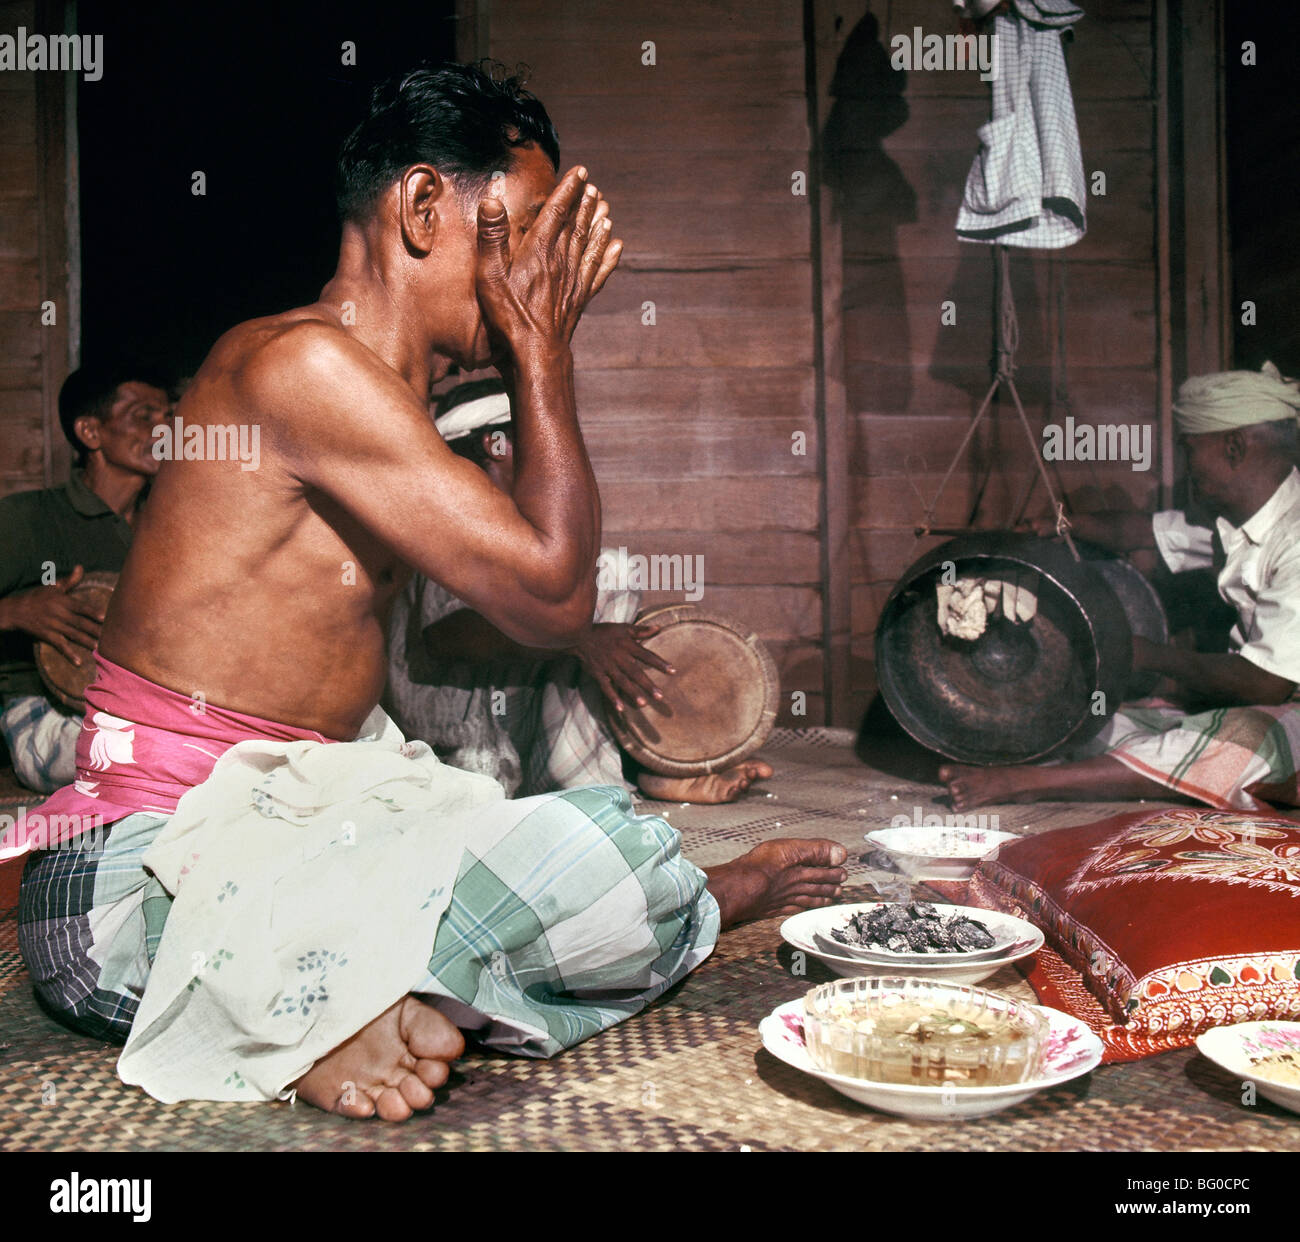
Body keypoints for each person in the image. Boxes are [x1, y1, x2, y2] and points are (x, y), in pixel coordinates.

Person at [13, 63, 846, 1122]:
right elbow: (551, 596)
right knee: (599, 872)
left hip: (294, 836)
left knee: (604, 846)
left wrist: (532, 358)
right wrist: (542, 349)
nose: (543, 265)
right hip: (130, 881)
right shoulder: (299, 365)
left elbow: (549, 591)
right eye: (525, 228)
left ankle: (340, 986)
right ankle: (316, 1002)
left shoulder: (399, 401)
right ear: (419, 207)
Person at [385, 378, 773, 804]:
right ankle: (593, 792)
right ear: (496, 446)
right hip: (462, 754)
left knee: (607, 574)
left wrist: (588, 640)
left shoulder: (521, 525)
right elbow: (447, 638)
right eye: (535, 438)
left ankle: (624, 772)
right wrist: (579, 640)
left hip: (520, 745)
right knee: (591, 607)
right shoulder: (449, 518)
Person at [941, 361, 1300, 812]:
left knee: (1247, 741)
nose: (1185, 466)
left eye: (1190, 449)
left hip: (1280, 712)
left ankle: (1029, 782)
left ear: (1233, 446)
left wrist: (1148, 655)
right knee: (1108, 722)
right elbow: (1141, 532)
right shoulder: (1233, 523)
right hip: (1259, 705)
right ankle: (1128, 769)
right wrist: (1063, 524)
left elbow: (1265, 685)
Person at [0, 365, 171, 793]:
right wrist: (14, 611)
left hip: (151, 708)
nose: (165, 429)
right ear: (90, 432)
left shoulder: (170, 527)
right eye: (143, 416)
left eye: (168, 416)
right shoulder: (31, 518)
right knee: (156, 753)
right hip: (46, 716)